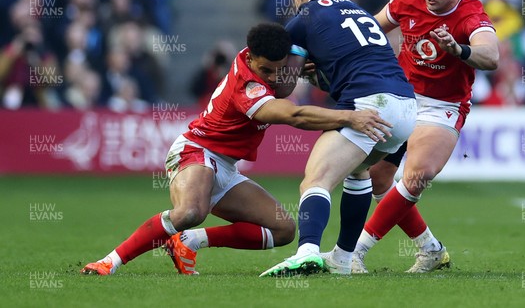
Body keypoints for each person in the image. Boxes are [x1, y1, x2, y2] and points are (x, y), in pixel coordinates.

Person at [80, 22, 392, 275]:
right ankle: (109, 262)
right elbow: (295, 115)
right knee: (191, 211)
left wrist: (301, 65)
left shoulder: (270, 57)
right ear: (251, 57)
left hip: (225, 165)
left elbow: (290, 67)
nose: (270, 76)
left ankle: (188, 241)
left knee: (283, 229)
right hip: (195, 150)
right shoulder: (248, 86)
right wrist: (349, 116)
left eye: (276, 70)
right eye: (265, 70)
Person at [260, 0, 417, 277]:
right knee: (358, 173)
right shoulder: (356, 8)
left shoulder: (303, 18)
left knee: (315, 180)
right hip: (406, 104)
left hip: (370, 103)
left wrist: (294, 72)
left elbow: (285, 89)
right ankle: (344, 259)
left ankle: (306, 252)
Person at [352, 0, 499, 273]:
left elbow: (491, 56)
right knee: (377, 176)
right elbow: (371, 31)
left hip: (443, 106)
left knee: (418, 176)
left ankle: (354, 252)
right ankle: (430, 250)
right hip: (403, 97)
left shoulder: (470, 14)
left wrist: (459, 50)